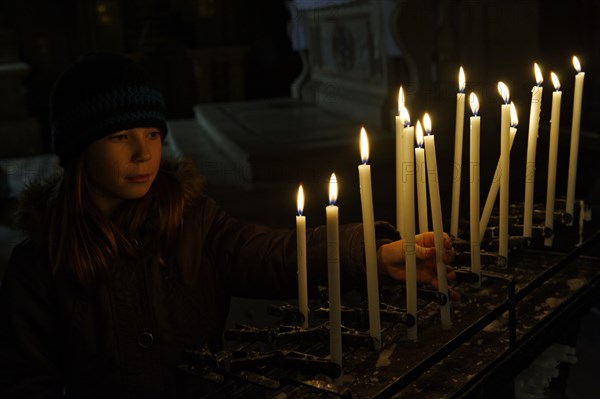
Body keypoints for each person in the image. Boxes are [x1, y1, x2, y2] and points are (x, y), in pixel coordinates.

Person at [0, 52, 456, 398]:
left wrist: (371, 254)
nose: (144, 154)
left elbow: (270, 253)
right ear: (79, 150)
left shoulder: (192, 220)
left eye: (153, 135)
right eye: (120, 137)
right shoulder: (39, 264)